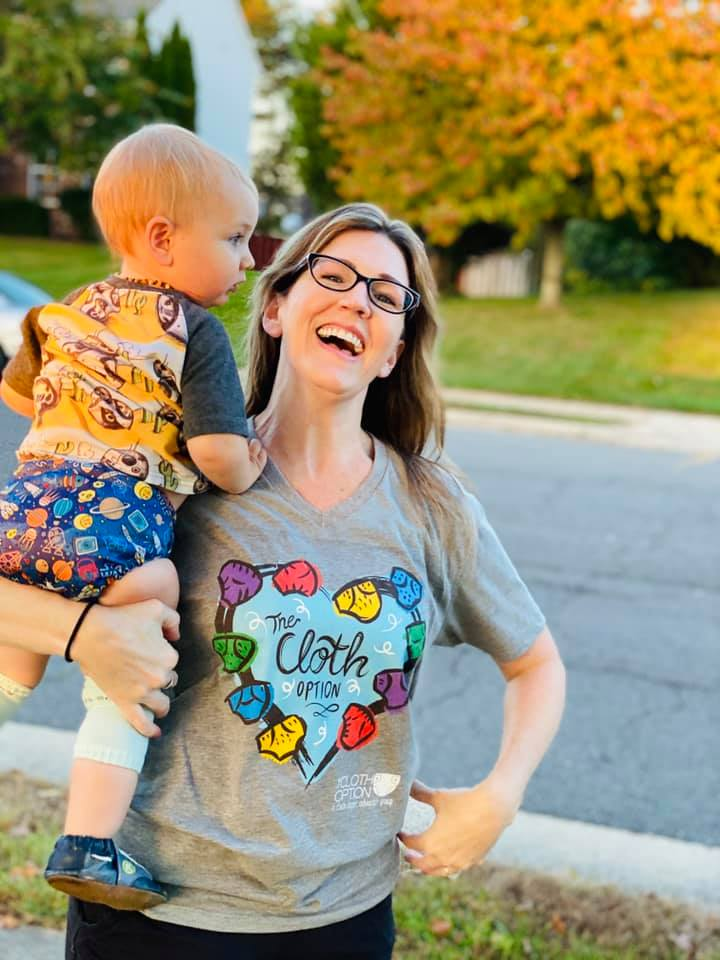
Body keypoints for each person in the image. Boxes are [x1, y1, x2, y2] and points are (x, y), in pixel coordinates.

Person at [0, 202, 566, 960]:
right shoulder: (180, 462)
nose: (356, 300)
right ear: (275, 306)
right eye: (332, 275)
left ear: (394, 349)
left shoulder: (434, 505)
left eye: (386, 295)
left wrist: (501, 795)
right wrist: (82, 633)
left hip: (344, 921)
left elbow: (536, 664)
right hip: (156, 916)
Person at [0, 123, 265, 909]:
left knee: (17, 649)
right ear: (163, 239)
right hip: (115, 540)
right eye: (237, 239)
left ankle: (15, 672)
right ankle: (88, 841)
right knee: (143, 639)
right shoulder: (196, 330)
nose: (249, 261)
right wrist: (251, 462)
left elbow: (17, 394)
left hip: (22, 519)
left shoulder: (69, 310)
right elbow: (220, 453)